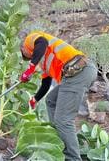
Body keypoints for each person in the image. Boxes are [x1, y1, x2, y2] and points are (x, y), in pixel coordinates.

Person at [20, 30, 97, 161]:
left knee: (64, 119)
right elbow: (45, 84)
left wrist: (30, 69)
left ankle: (72, 158)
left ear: (23, 48)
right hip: (73, 75)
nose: (27, 57)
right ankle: (58, 140)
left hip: (79, 71)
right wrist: (35, 99)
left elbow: (42, 43)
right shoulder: (43, 63)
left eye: (25, 55)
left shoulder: (30, 39)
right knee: (50, 100)